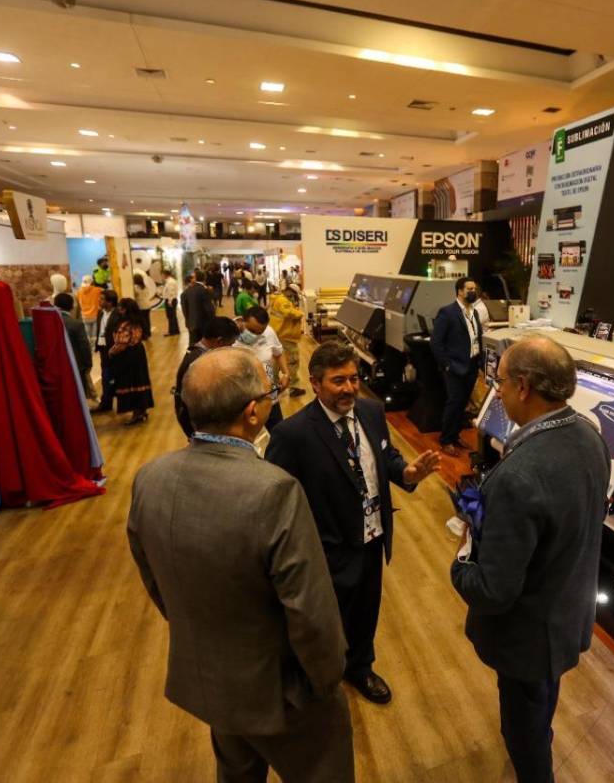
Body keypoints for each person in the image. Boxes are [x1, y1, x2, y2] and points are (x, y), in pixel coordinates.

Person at [128, 347, 354, 783]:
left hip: (212, 683)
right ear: (253, 412)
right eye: (269, 393)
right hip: (282, 695)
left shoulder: (149, 478)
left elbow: (153, 578)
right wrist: (326, 683)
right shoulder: (274, 490)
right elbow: (311, 614)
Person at [451, 336, 610, 783]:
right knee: (541, 706)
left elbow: (493, 591)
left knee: (522, 733)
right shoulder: (589, 436)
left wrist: (462, 553)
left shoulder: (519, 475)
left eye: (500, 382)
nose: (496, 391)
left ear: (522, 386)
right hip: (567, 615)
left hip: (526, 639)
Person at [266, 342, 441, 705]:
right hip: (326, 549)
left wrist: (406, 473)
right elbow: (277, 501)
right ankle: (322, 677)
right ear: (315, 384)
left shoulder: (372, 412)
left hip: (372, 537)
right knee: (325, 620)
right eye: (338, 381)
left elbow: (385, 456)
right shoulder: (292, 435)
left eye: (353, 378)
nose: (349, 388)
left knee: (365, 609)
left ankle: (360, 667)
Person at [431, 277, 483, 457]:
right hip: (454, 367)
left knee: (463, 404)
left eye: (474, 288)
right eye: (469, 289)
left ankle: (455, 435)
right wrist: (446, 365)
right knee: (454, 402)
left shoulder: (474, 312)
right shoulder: (447, 312)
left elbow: (477, 338)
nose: (473, 292)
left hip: (472, 365)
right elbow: (436, 343)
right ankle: (446, 440)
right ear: (460, 291)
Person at [174, 316, 240, 438]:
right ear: (219, 341)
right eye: (230, 345)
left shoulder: (198, 353)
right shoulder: (199, 362)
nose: (230, 349)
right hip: (201, 426)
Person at [236, 306, 290, 431]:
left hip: (269, 394)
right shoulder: (230, 337)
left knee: (278, 431)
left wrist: (286, 374)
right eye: (251, 330)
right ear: (242, 321)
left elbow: (278, 353)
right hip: (243, 399)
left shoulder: (269, 332)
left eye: (260, 332)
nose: (255, 335)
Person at [106, 298, 154, 425]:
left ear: (125, 309)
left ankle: (136, 413)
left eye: (120, 307)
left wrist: (111, 352)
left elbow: (122, 343)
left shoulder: (125, 325)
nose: (118, 309)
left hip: (127, 356)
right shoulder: (138, 321)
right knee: (140, 381)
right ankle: (142, 410)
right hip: (138, 353)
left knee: (129, 383)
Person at [268, 283, 307, 397]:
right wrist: (300, 313)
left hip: (278, 333)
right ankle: (293, 388)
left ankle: (274, 386)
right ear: (290, 291)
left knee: (276, 361)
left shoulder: (277, 298)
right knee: (292, 361)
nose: (293, 298)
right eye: (293, 295)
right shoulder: (283, 301)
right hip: (285, 336)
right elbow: (289, 313)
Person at [53, 292, 94, 395]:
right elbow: (84, 346)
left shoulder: (50, 323)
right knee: (78, 393)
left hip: (56, 365)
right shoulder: (76, 324)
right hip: (76, 364)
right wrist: (88, 364)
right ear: (72, 306)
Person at [93, 289, 122, 413]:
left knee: (117, 377)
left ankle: (122, 403)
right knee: (105, 377)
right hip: (103, 350)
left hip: (116, 350)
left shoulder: (118, 314)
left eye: (101, 299)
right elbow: (100, 330)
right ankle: (106, 403)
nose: (99, 301)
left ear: (110, 302)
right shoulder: (100, 313)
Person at [180, 270, 216, 344]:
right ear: (204, 278)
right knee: (204, 345)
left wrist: (188, 321)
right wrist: (213, 321)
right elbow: (209, 309)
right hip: (204, 324)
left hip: (191, 324)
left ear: (195, 278)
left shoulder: (186, 292)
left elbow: (184, 309)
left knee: (193, 345)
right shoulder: (204, 290)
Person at [76, 274, 102, 347]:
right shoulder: (97, 290)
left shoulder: (79, 291)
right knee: (95, 335)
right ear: (92, 282)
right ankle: (94, 348)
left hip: (85, 316)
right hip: (95, 315)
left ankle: (89, 348)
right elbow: (106, 292)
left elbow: (78, 303)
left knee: (88, 335)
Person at [160, 269, 180, 337]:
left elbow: (171, 292)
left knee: (171, 316)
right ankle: (176, 330)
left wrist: (170, 301)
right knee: (173, 316)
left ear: (165, 274)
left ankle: (172, 331)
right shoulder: (170, 281)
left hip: (170, 300)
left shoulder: (170, 282)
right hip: (171, 300)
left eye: (162, 275)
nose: (162, 276)